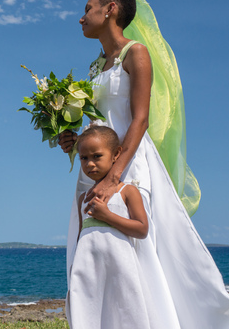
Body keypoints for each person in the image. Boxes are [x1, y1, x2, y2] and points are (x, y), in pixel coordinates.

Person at [60, 0, 229, 328]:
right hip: (95, 168)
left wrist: (116, 175)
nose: (81, 17)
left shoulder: (136, 53)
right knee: (90, 242)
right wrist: (72, 137)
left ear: (111, 9)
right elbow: (99, 121)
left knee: (134, 249)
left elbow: (140, 118)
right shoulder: (96, 65)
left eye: (88, 8)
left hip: (129, 164)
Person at [69, 125, 170, 329]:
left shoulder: (127, 191)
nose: (90, 164)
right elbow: (82, 236)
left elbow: (142, 229)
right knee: (89, 310)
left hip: (120, 266)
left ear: (116, 155)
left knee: (125, 308)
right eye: (83, 158)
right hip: (88, 267)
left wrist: (107, 216)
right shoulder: (83, 199)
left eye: (97, 156)